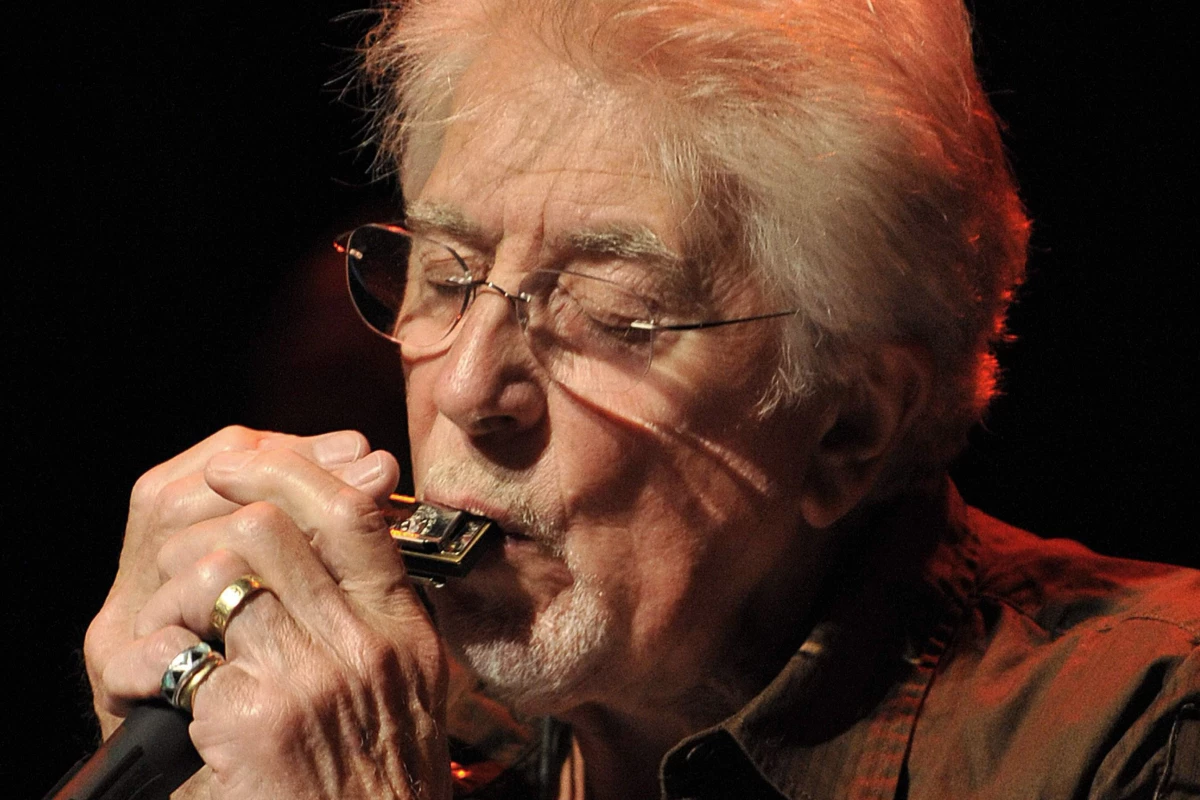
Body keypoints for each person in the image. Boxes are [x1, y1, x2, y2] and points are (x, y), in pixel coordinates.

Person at [82, 0, 1199, 798]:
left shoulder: (1141, 726)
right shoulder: (362, 709)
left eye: (613, 315)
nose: (469, 389)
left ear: (846, 428)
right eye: (447, 275)